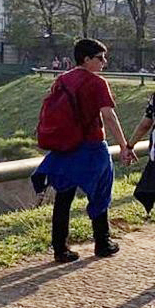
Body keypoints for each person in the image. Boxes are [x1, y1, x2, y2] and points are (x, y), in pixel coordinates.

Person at [31, 38, 136, 262]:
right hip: (91, 146)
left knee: (63, 198)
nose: (104, 62)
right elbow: (108, 116)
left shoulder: (62, 79)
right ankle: (103, 242)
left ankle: (60, 249)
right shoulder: (97, 83)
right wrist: (123, 146)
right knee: (100, 195)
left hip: (66, 147)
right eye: (100, 58)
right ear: (87, 59)